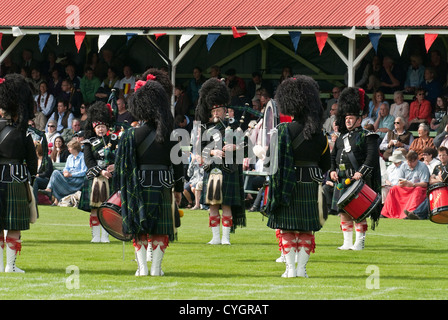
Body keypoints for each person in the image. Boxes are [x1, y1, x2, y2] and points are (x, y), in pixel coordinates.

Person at [114, 75, 183, 276]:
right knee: (160, 229)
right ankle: (156, 268)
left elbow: (122, 168)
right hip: (162, 185)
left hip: (137, 185)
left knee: (139, 227)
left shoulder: (130, 135)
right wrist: (178, 189)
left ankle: (142, 268)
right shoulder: (171, 135)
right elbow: (178, 166)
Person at [263, 75, 330, 278]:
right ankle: (302, 269)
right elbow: (326, 164)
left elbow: (269, 162)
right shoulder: (320, 134)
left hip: (287, 184)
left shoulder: (282, 131)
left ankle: (290, 269)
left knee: (287, 229)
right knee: (307, 230)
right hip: (311, 184)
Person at [195, 78, 246, 247]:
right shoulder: (207, 129)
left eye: (219, 110)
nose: (216, 113)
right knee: (212, 205)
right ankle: (215, 237)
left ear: (226, 111)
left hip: (228, 170)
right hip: (212, 170)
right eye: (214, 110)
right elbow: (199, 151)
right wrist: (212, 151)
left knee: (226, 204)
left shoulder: (235, 129)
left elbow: (247, 150)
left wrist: (235, 147)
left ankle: (226, 238)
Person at [329, 87, 381, 251]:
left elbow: (371, 158)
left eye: (351, 118)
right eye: (346, 118)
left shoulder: (368, 136)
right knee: (343, 212)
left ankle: (360, 242)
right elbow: (333, 157)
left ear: (359, 120)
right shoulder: (340, 138)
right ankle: (347, 242)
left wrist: (361, 173)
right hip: (342, 179)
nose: (348, 121)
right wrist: (332, 170)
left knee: (359, 211)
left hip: (358, 180)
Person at [0, 73, 38, 273]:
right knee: (13, 226)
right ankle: (10, 266)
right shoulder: (23, 133)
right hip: (16, 178)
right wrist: (30, 178)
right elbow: (32, 164)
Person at [78, 102, 117, 243]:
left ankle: (105, 236)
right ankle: (95, 236)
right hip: (95, 178)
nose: (101, 129)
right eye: (98, 127)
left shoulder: (113, 140)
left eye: (103, 127)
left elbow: (119, 156)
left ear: (107, 127)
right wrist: (101, 171)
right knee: (95, 208)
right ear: (94, 128)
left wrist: (114, 166)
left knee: (107, 208)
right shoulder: (89, 142)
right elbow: (88, 161)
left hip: (110, 178)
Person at [381, 150, 430, 219]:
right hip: (406, 187)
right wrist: (401, 183)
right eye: (408, 161)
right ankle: (386, 212)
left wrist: (413, 184)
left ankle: (411, 212)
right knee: (394, 189)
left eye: (412, 161)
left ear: (417, 160)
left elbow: (425, 183)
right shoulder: (404, 165)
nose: (409, 164)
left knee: (418, 190)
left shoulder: (423, 167)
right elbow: (400, 180)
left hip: (417, 187)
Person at [405, 146, 448, 220]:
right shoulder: (437, 167)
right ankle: (416, 214)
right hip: (437, 189)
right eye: (440, 155)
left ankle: (415, 214)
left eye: (444, 155)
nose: (442, 157)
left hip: (445, 190)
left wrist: (438, 178)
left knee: (429, 199)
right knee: (429, 198)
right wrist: (439, 179)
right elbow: (431, 180)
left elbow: (445, 179)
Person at [44, 139, 87, 206]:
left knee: (56, 175)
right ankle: (50, 191)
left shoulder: (82, 156)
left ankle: (53, 196)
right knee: (55, 173)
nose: (68, 149)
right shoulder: (70, 157)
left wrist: (71, 174)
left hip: (77, 180)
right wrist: (65, 171)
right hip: (68, 177)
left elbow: (84, 172)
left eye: (70, 148)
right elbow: (66, 168)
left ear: (75, 148)